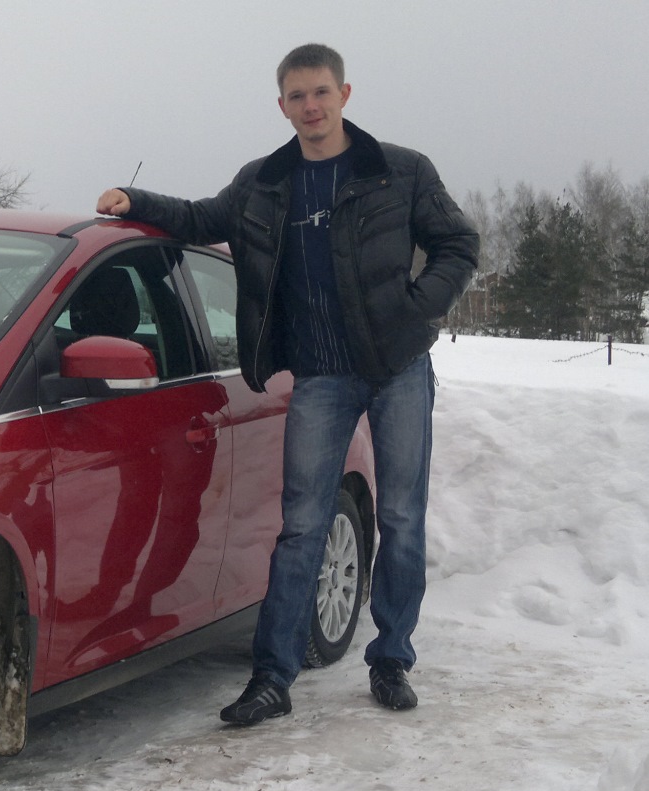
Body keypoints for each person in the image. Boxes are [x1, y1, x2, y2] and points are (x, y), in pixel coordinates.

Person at [95, 43, 479, 725]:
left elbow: (457, 245)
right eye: (297, 96)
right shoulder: (261, 184)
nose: (310, 106)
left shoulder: (400, 170)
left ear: (344, 94)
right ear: (282, 106)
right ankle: (271, 677)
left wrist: (418, 308)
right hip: (320, 376)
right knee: (301, 524)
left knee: (398, 517)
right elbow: (197, 218)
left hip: (396, 368)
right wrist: (136, 200)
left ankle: (390, 658)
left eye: (320, 93)